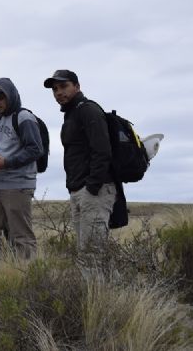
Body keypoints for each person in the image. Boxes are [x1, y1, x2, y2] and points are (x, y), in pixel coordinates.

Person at [44, 70, 115, 254]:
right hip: (78, 190)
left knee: (92, 254)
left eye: (64, 86)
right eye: (55, 89)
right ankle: (96, 284)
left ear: (77, 86)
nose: (59, 92)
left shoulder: (88, 110)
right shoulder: (71, 114)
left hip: (93, 191)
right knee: (86, 252)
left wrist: (91, 188)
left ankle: (101, 284)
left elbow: (102, 151)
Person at [0, 78, 43, 259]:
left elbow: (35, 149)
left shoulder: (24, 118)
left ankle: (28, 277)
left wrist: (6, 163)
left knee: (20, 235)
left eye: (1, 98)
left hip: (18, 185)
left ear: (11, 96)